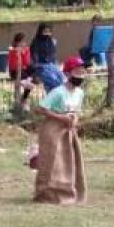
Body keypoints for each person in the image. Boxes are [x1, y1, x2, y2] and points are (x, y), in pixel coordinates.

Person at [33, 56, 87, 205]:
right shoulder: (58, 92)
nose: (81, 75)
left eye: (83, 72)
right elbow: (41, 108)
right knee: (52, 161)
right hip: (53, 129)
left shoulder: (80, 93)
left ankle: (69, 192)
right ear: (68, 74)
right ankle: (47, 193)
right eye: (77, 72)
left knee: (69, 160)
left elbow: (77, 110)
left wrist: (75, 119)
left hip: (69, 129)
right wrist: (60, 118)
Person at [30, 23, 62, 91]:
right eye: (45, 31)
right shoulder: (36, 41)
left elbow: (53, 54)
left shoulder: (50, 41)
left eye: (48, 32)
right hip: (41, 66)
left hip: (52, 66)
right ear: (41, 31)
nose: (47, 34)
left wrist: (56, 65)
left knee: (62, 79)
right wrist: (36, 67)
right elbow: (34, 55)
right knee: (55, 82)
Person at [8, 32, 34, 110]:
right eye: (21, 41)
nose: (23, 43)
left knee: (32, 72)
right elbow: (14, 64)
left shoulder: (26, 49)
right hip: (15, 71)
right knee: (29, 86)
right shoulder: (12, 50)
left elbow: (27, 62)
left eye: (23, 42)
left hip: (23, 71)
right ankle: (22, 101)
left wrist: (25, 52)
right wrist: (18, 52)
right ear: (17, 42)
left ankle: (23, 99)